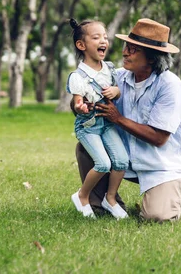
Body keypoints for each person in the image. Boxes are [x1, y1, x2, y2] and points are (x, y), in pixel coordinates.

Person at [75, 18, 181, 222]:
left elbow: (159, 138)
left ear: (151, 57)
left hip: (162, 166)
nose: (124, 52)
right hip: (125, 159)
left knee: (157, 216)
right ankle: (103, 202)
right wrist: (79, 105)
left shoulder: (170, 86)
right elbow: (83, 98)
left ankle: (163, 196)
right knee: (86, 145)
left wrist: (118, 119)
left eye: (133, 49)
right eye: (126, 47)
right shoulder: (117, 77)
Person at [66, 19, 129, 219]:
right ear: (81, 45)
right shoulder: (78, 76)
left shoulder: (110, 69)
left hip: (108, 124)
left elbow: (119, 93)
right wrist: (81, 106)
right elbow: (77, 103)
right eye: (96, 37)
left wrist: (115, 91)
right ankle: (82, 196)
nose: (103, 41)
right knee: (103, 164)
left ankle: (109, 199)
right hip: (89, 127)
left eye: (105, 37)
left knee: (121, 161)